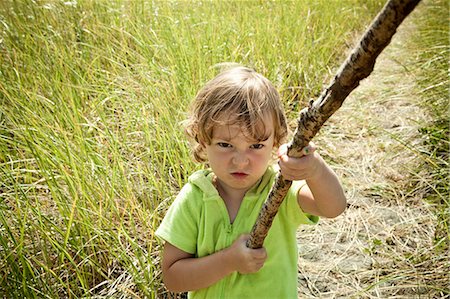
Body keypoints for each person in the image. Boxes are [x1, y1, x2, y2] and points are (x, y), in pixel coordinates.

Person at [155, 66, 346, 298]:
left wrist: (315, 170)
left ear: (275, 143)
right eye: (226, 145)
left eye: (256, 146)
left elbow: (333, 207)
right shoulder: (195, 198)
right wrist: (228, 261)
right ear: (203, 140)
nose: (241, 161)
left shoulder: (280, 189)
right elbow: (173, 278)